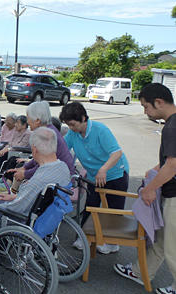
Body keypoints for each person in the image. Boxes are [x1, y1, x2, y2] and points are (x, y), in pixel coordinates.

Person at [114, 83, 176, 294]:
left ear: (158, 102)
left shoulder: (172, 126)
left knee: (171, 247)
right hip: (171, 192)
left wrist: (150, 188)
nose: (145, 112)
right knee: (161, 241)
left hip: (175, 195)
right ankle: (141, 272)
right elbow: (170, 160)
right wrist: (157, 168)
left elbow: (173, 165)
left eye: (146, 107)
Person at [59, 101, 129, 254]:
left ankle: (112, 243)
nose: (71, 128)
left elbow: (117, 153)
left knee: (113, 210)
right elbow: (63, 151)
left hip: (115, 174)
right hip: (93, 176)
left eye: (72, 124)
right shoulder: (73, 133)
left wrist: (103, 169)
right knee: (91, 206)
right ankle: (84, 238)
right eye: (68, 125)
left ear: (83, 118)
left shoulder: (100, 130)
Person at [0, 127, 71, 227]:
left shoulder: (39, 179)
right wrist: (16, 197)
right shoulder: (63, 168)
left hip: (20, 220)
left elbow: (17, 208)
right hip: (44, 217)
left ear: (34, 150)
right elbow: (37, 198)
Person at [8, 101, 75, 192]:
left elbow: (44, 166)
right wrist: (24, 168)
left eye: (28, 118)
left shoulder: (46, 135)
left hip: (59, 180)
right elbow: (39, 159)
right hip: (57, 174)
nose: (27, 122)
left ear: (37, 120)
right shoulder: (49, 130)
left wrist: (25, 174)